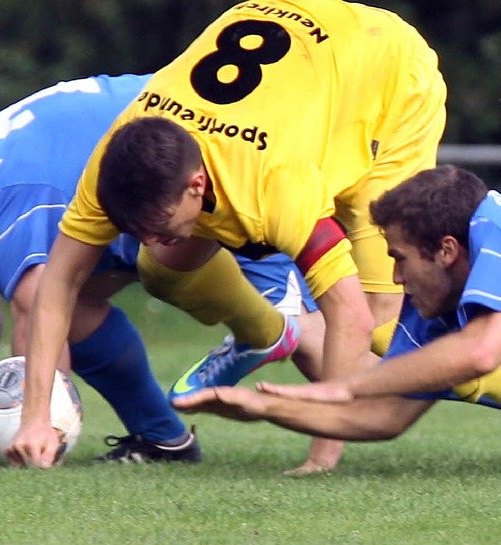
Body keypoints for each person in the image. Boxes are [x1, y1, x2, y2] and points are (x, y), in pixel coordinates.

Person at [9, 0, 446, 470]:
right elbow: (57, 285)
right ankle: (264, 333)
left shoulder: (274, 187)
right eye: (135, 229)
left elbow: (351, 316)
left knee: (384, 329)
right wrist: (35, 416)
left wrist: (322, 458)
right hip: (301, 47)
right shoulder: (114, 163)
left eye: (156, 225)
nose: (148, 237)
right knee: (163, 266)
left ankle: (486, 349)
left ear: (197, 185)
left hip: (388, 75)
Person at [0, 75, 317, 466]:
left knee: (308, 335)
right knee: (73, 303)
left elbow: (38, 311)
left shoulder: (0, 200)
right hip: (165, 176)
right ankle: (163, 440)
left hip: (229, 162)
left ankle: (377, 407)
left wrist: (37, 431)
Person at [173, 165, 501, 449]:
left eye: (400, 259)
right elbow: (385, 417)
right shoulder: (434, 305)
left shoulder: (493, 227)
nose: (396, 277)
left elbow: (480, 352)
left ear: (446, 250)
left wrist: (345, 387)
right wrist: (263, 407)